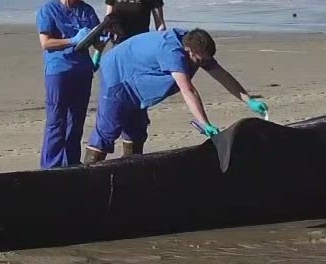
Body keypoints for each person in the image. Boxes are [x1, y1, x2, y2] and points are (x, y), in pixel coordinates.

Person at [83, 26, 266, 163]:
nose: (202, 64)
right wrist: (205, 124)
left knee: (136, 129)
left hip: (140, 75)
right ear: (189, 52)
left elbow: (222, 75)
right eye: (200, 60)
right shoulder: (172, 52)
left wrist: (249, 100)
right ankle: (88, 173)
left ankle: (131, 170)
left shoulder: (194, 44)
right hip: (118, 74)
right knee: (108, 129)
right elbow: (188, 89)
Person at [34, 0, 102, 168]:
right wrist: (71, 40)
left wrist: (100, 44)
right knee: (56, 120)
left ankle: (71, 162)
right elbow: (46, 43)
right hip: (58, 70)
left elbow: (96, 38)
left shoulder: (86, 11)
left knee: (77, 121)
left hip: (82, 69)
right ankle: (51, 165)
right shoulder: (48, 11)